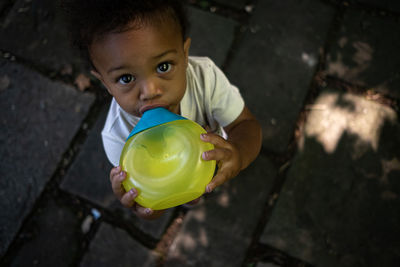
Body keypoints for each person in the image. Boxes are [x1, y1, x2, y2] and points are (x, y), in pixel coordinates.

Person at [62, 0, 262, 219]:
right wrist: (144, 206)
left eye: (163, 66)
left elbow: (245, 125)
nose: (150, 91)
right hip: (177, 183)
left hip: (218, 154)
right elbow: (154, 206)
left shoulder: (205, 79)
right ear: (105, 83)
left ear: (185, 55)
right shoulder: (118, 138)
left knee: (220, 174)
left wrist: (238, 155)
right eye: (126, 78)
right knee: (192, 198)